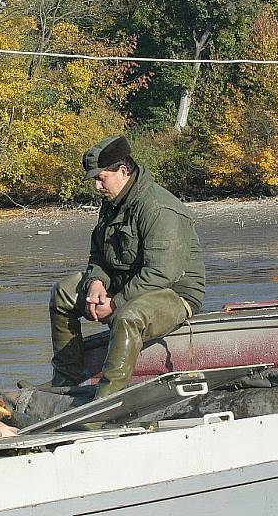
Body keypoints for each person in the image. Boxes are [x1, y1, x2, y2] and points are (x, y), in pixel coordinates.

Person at [47, 134, 205, 398]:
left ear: (122, 171)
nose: (97, 186)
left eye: (101, 178)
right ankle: (65, 385)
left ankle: (107, 399)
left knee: (128, 316)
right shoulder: (111, 205)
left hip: (174, 293)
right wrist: (96, 282)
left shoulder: (159, 208)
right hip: (128, 283)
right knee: (64, 293)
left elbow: (162, 273)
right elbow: (99, 254)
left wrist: (115, 303)